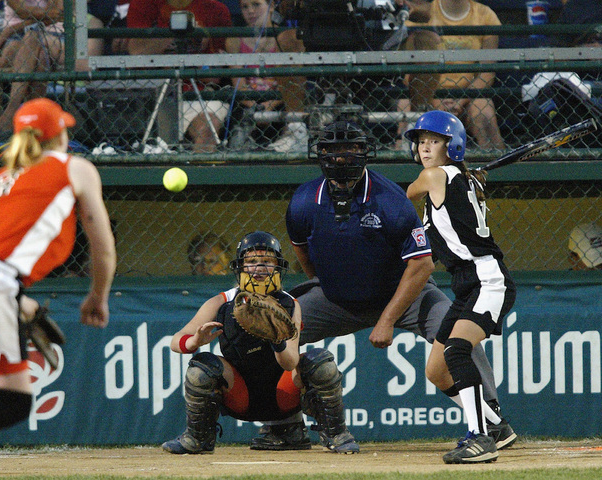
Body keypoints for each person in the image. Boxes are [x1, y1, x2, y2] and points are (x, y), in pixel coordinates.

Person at [272, 120, 515, 451]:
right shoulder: (303, 200)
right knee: (272, 328)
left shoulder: (390, 198)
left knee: (459, 330)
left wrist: (386, 319)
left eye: (351, 148)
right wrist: (329, 285)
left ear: (364, 152)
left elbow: (422, 265)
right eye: (333, 149)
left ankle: (490, 420)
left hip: (404, 294)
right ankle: (281, 424)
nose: (342, 157)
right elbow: (304, 255)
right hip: (336, 299)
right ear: (322, 153)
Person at [0, 97, 117, 444]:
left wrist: (18, 301)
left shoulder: (1, 177)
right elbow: (102, 243)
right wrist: (98, 295)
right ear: (59, 135)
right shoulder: (74, 167)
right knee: (12, 403)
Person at [161, 231, 359, 454]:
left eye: (267, 261)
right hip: (240, 395)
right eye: (252, 261)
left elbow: (289, 362)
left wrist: (277, 341)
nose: (259, 267)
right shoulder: (221, 301)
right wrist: (196, 340)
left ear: (278, 266)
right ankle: (197, 438)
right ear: (241, 266)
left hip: (282, 395)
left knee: (321, 363)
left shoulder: (290, 303)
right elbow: (176, 342)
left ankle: (336, 435)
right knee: (201, 368)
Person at [404, 110, 516, 463]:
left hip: (487, 279)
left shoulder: (434, 176)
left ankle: (480, 438)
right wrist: (467, 178)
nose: (424, 148)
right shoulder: (459, 181)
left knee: (456, 351)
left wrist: (461, 176)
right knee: (436, 370)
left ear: (453, 147)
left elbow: (405, 194)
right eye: (421, 142)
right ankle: (496, 426)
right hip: (467, 285)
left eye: (434, 141)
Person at [397, 0, 506, 150]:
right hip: (427, 94)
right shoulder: (422, 14)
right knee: (404, 104)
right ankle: (402, 158)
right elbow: (409, 73)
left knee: (484, 109)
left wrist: (461, 99)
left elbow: (487, 74)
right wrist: (435, 99)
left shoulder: (486, 15)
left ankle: (495, 162)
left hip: (468, 97)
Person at [126, 0, 233, 153]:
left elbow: (214, 77)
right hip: (152, 95)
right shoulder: (142, 4)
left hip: (198, 96)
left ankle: (201, 173)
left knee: (207, 130)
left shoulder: (216, 9)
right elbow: (135, 51)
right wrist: (173, 35)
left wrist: (196, 43)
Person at [224, 0, 307, 153]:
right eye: (245, 7)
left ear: (271, 6)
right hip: (249, 103)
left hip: (280, 100)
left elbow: (292, 84)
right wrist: (256, 107)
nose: (250, 11)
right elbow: (239, 86)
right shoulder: (234, 40)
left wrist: (269, 105)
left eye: (256, 5)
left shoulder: (285, 38)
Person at [0, 0, 65, 141]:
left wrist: (8, 30)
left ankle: (11, 113)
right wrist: (41, 17)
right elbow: (22, 10)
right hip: (15, 39)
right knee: (37, 54)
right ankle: (36, 124)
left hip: (54, 36)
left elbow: (56, 13)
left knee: (33, 39)